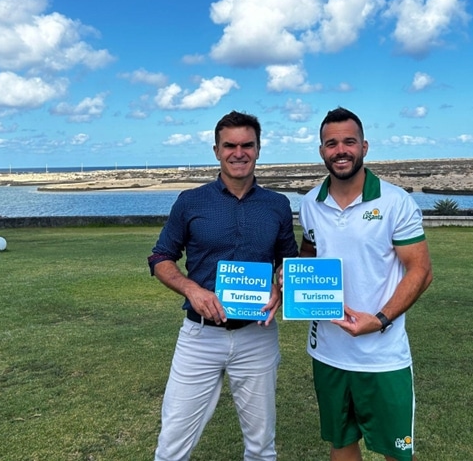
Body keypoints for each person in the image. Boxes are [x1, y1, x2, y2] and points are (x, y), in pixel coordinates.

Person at [148, 110, 299, 461]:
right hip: (200, 337)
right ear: (216, 150)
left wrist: (280, 285)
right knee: (172, 444)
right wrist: (192, 290)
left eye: (247, 145)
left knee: (262, 447)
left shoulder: (277, 205)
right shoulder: (191, 201)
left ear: (259, 150)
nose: (239, 152)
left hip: (256, 335)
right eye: (229, 145)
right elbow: (160, 258)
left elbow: (286, 262)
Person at [297, 107, 433, 461]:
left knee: (396, 452)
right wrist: (291, 276)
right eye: (331, 143)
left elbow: (421, 271)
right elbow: (309, 254)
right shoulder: (310, 203)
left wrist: (381, 319)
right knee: (341, 442)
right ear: (322, 150)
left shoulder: (395, 201)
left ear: (364, 147)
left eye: (349, 142)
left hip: (382, 355)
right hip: (327, 350)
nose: (340, 150)